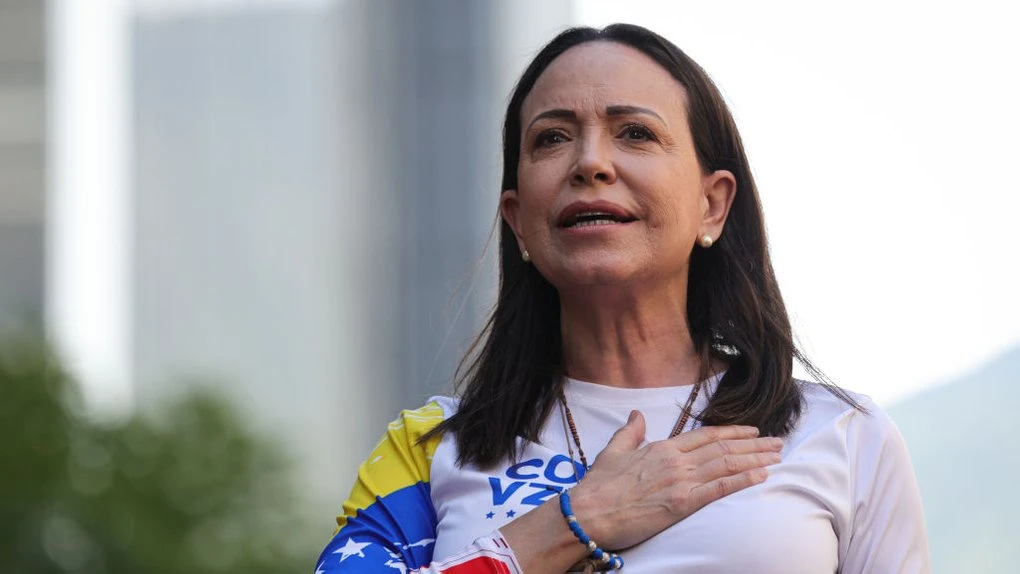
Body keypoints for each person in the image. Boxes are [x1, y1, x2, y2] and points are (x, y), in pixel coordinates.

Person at [314, 23, 930, 573]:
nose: (590, 163)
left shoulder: (843, 436)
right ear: (518, 218)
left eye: (635, 133)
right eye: (552, 139)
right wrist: (572, 523)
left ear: (711, 204)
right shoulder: (429, 447)